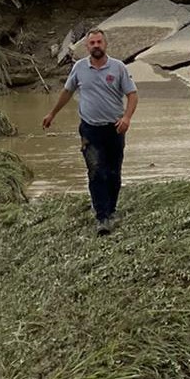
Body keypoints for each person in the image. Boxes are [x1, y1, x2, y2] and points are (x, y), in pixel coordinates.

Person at [42, 29, 139, 234]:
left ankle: (111, 209)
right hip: (90, 129)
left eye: (99, 42)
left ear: (105, 44)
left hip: (115, 128)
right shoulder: (79, 68)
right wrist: (52, 114)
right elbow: (67, 92)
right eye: (92, 43)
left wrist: (127, 118)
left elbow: (132, 95)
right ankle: (102, 217)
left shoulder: (118, 67)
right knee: (96, 172)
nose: (96, 45)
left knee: (113, 173)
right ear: (87, 46)